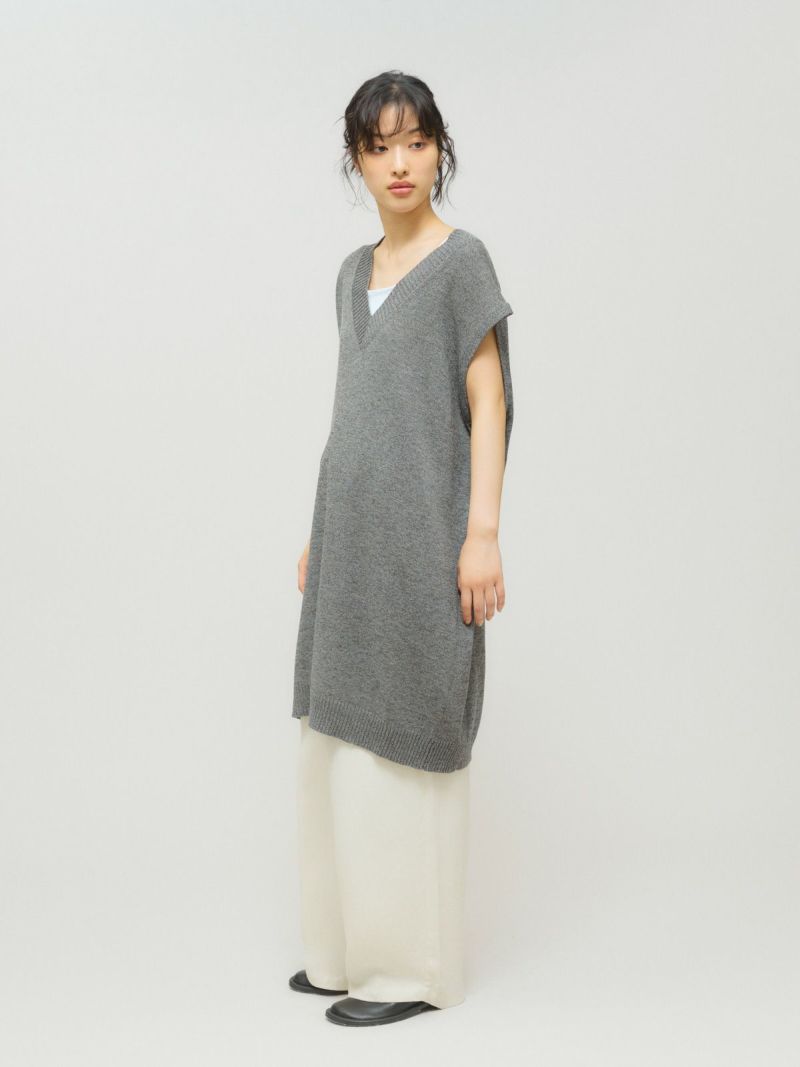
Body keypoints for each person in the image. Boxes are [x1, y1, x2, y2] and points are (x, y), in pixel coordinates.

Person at [288, 69, 515, 1027]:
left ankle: (408, 970)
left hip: (425, 535)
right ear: (357, 159)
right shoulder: (352, 273)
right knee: (335, 741)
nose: (400, 162)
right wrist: (322, 529)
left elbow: (488, 400)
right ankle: (343, 952)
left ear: (439, 150)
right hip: (352, 540)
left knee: (404, 738)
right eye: (379, 146)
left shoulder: (462, 264)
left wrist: (482, 532)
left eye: (416, 141)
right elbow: (354, 410)